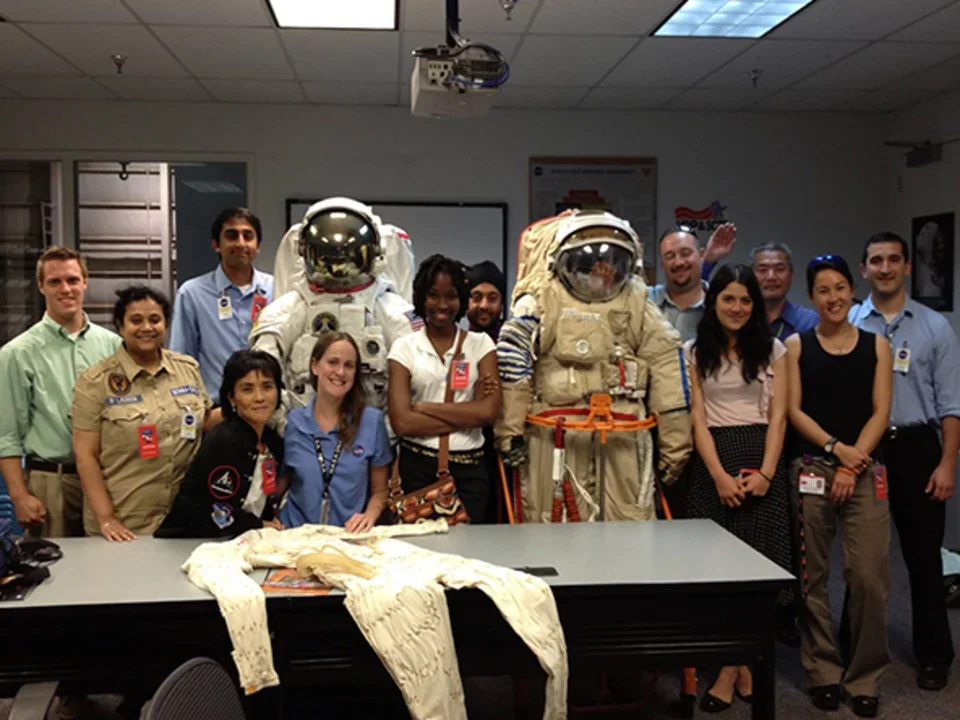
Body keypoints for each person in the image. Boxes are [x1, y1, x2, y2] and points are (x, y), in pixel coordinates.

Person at [495, 211, 691, 523]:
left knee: (629, 520)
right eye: (586, 262)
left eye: (613, 260)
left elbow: (667, 363)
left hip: (623, 430)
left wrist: (675, 443)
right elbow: (512, 359)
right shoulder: (541, 298)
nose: (601, 270)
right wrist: (511, 431)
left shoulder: (637, 302)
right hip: (554, 432)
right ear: (560, 263)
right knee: (552, 520)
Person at [849, 231, 959, 692]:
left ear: (907, 267)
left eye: (894, 259)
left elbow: (952, 404)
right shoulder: (850, 320)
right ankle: (853, 649)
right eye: (876, 260)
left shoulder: (934, 327)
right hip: (866, 450)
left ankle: (934, 654)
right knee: (861, 561)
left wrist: (947, 463)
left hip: (918, 449)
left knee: (923, 560)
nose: (885, 268)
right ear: (864, 269)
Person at [785, 254, 892, 718]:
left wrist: (852, 465)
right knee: (812, 577)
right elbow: (794, 410)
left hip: (865, 471)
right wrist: (833, 449)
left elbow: (881, 412)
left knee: (868, 576)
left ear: (853, 292)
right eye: (823, 290)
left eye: (841, 288)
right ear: (812, 298)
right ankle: (823, 671)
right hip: (812, 467)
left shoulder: (877, 345)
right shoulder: (795, 345)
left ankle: (865, 675)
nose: (833, 297)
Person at [684, 265, 792, 713]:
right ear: (714, 303)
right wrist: (718, 475)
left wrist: (766, 473)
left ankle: (731, 670)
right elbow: (698, 419)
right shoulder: (693, 350)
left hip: (760, 456)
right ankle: (737, 664)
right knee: (716, 571)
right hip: (714, 463)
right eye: (729, 299)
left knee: (756, 570)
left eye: (745, 300)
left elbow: (780, 416)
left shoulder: (774, 349)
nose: (737, 308)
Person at [250, 197, 417, 428]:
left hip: (371, 438)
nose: (338, 266)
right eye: (328, 256)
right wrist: (286, 429)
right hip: (303, 437)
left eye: (348, 255)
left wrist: (384, 437)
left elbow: (417, 380)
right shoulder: (286, 310)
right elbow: (260, 375)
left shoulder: (392, 310)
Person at [72, 286, 219, 541]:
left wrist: (241, 402)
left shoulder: (187, 369)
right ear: (120, 326)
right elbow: (86, 455)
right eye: (136, 320)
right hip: (125, 523)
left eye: (155, 320)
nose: (147, 328)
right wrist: (106, 518)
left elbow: (204, 422)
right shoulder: (95, 381)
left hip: (182, 519)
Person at [0, 247, 120, 538]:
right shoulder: (16, 354)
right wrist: (19, 497)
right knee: (55, 574)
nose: (65, 289)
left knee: (111, 571)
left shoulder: (114, 347)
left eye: (72, 280)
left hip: (108, 479)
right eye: (55, 282)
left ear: (85, 282)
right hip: (51, 483)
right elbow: (7, 435)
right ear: (41, 286)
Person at [388, 255, 500, 523]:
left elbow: (487, 413)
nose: (442, 305)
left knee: (467, 555)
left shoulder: (480, 345)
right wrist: (467, 413)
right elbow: (402, 423)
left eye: (450, 296)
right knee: (418, 554)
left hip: (470, 471)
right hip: (417, 468)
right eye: (433, 295)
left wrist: (424, 408)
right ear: (421, 298)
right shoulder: (404, 348)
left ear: (460, 299)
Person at [157, 350, 287, 538]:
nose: (260, 397)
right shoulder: (224, 441)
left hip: (242, 539)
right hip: (194, 542)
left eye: (267, 386)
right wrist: (259, 524)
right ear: (231, 397)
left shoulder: (272, 440)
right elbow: (215, 511)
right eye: (247, 389)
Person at [280, 332, 393, 531]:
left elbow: (380, 490)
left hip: (348, 535)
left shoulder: (371, 422)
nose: (340, 372)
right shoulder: (294, 423)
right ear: (315, 366)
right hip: (297, 535)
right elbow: (279, 486)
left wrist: (369, 516)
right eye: (332, 362)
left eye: (349, 365)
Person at [170, 207, 274, 400]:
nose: (241, 243)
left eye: (248, 236)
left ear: (258, 245)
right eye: (232, 235)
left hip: (269, 410)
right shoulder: (192, 294)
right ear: (216, 244)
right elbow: (181, 363)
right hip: (218, 414)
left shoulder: (277, 290)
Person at [649, 223, 737, 342]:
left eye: (686, 253)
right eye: (669, 256)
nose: (678, 262)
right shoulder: (645, 299)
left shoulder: (720, 306)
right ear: (662, 264)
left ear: (702, 255)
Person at [748, 242, 819, 340]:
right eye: (763, 270)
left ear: (791, 275)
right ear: (750, 276)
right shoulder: (740, 319)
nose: (771, 277)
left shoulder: (809, 322)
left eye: (779, 269)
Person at [464, 260, 506, 340]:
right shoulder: (457, 346)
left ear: (501, 304)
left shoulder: (517, 346)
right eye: (477, 298)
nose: (484, 305)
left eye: (492, 298)